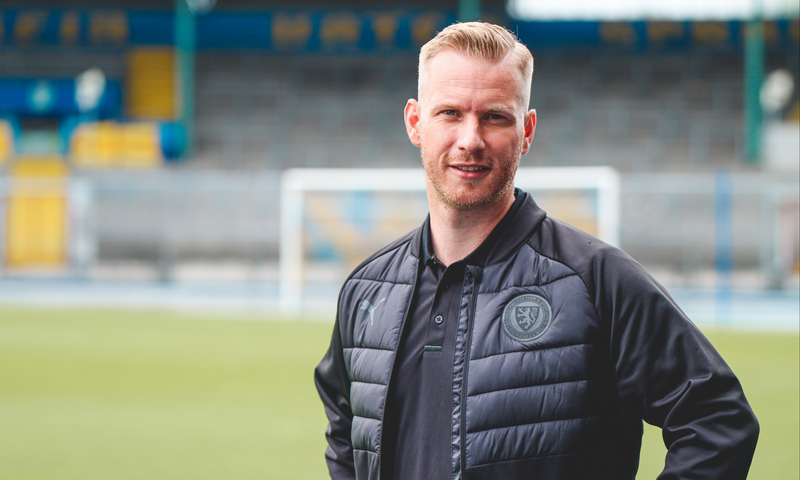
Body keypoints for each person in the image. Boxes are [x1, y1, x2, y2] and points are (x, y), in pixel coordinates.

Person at [315, 22, 759, 479]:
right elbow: (345, 435)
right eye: (450, 113)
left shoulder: (596, 279)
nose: (470, 139)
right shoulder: (366, 290)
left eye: (495, 117)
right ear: (415, 123)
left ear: (526, 131)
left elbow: (717, 419)